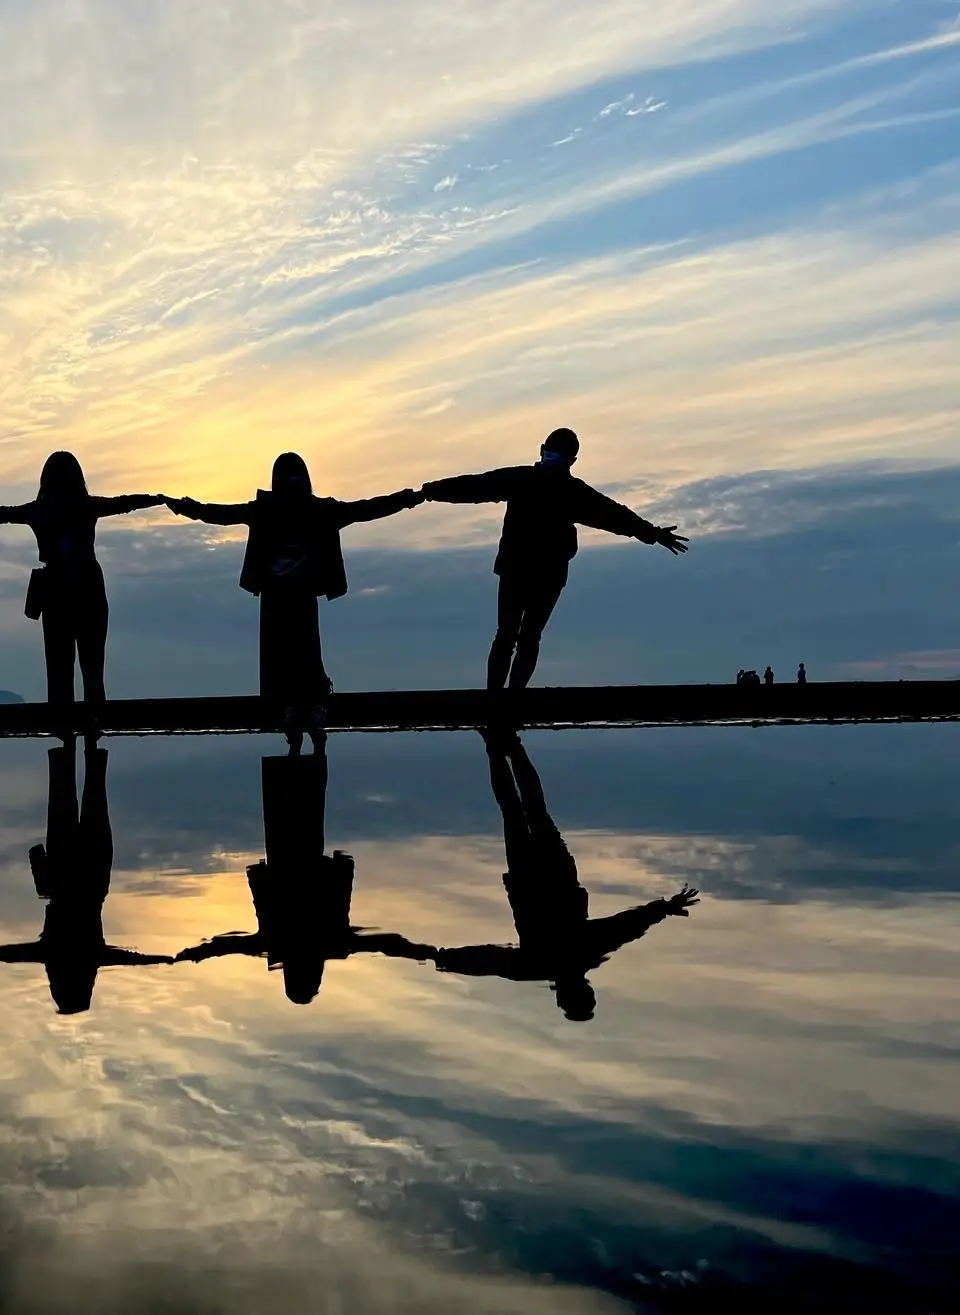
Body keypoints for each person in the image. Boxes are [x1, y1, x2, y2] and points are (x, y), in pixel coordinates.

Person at [429, 730, 698, 1020]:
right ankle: (499, 747)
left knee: (530, 812)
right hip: (536, 877)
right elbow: (490, 962)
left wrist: (665, 908)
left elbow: (628, 926)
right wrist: (444, 959)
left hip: (544, 876)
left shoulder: (581, 954)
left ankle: (507, 746)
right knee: (518, 812)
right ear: (563, 996)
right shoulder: (546, 963)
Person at [167, 454, 422, 753]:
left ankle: (302, 711)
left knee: (293, 652)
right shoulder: (306, 510)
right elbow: (366, 509)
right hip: (288, 594)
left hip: (288, 595)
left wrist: (188, 508)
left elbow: (222, 514)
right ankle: (302, 711)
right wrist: (406, 499)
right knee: (296, 651)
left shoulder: (284, 510)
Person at [422, 428, 688, 691]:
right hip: (540, 572)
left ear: (543, 450)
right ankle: (508, 698)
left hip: (525, 570)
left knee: (510, 636)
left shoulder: (531, 481)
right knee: (524, 637)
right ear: (572, 460)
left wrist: (428, 492)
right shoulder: (567, 490)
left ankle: (500, 698)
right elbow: (614, 515)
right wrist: (653, 534)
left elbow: (475, 486)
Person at [176, 755, 433, 1003]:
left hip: (295, 865)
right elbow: (384, 944)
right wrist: (196, 953)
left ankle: (306, 757)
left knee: (299, 807)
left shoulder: (325, 945)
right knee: (294, 807)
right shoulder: (301, 945)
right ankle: (306, 757)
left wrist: (195, 954)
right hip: (291, 864)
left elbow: (383, 944)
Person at [0, 452, 165, 715]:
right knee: (93, 671)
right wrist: (161, 500)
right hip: (88, 586)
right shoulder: (86, 506)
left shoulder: (39, 510)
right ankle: (95, 741)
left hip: (56, 589)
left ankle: (63, 745)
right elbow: (125, 503)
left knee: (59, 673)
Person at [0, 741, 170, 1013]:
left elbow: (10, 954)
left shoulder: (86, 958)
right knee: (69, 795)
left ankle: (83, 740)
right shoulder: (53, 957)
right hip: (67, 876)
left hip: (91, 881)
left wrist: (172, 958)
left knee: (91, 793)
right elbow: (10, 954)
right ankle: (74, 740)